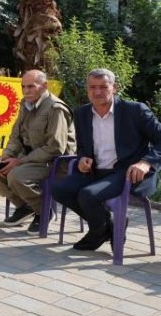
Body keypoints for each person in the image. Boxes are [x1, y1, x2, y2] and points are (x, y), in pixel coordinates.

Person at [51, 68, 161, 251]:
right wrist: (82, 159)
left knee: (88, 195)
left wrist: (146, 162)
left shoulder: (135, 111)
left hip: (128, 173)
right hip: (97, 172)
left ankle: (98, 232)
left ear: (114, 87)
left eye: (103, 87)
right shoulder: (82, 113)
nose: (97, 92)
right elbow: (84, 147)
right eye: (92, 87)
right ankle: (106, 227)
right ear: (87, 89)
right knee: (59, 188)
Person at [0, 70, 76, 233]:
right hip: (29, 158)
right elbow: (16, 135)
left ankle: (44, 211)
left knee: (16, 175)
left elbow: (55, 147)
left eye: (31, 86)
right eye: (24, 87)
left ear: (44, 86)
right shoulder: (25, 104)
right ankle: (25, 206)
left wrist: (19, 162)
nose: (26, 91)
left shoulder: (55, 109)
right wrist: (8, 154)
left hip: (54, 162)